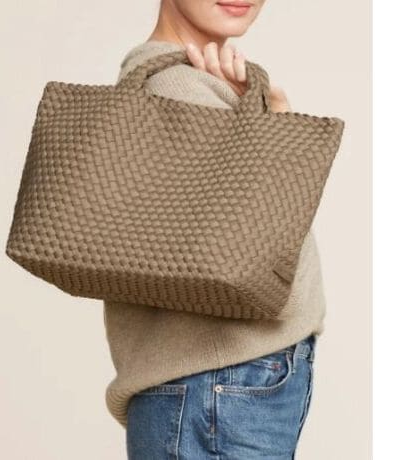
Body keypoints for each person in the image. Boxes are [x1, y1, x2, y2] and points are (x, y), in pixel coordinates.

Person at [104, 1, 323, 458]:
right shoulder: (178, 87)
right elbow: (264, 255)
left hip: (214, 385)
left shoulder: (195, 84)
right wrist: (278, 123)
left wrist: (263, 117)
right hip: (219, 385)